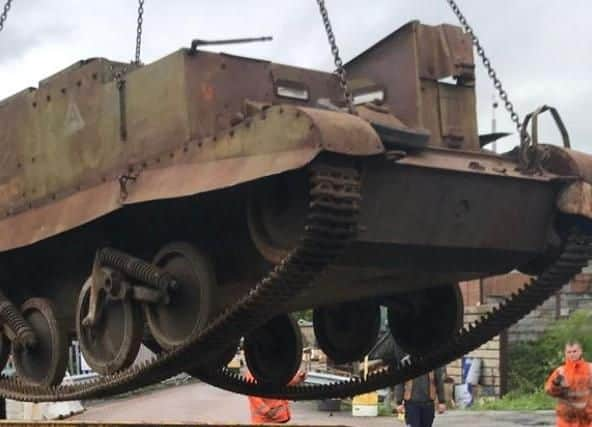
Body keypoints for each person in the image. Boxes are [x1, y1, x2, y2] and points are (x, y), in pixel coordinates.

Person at [545, 340, 592, 427]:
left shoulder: (590, 369)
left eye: (575, 351)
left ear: (580, 351)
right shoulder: (560, 371)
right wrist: (556, 383)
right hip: (566, 420)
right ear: (565, 353)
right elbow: (549, 391)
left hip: (587, 420)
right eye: (569, 352)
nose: (572, 354)